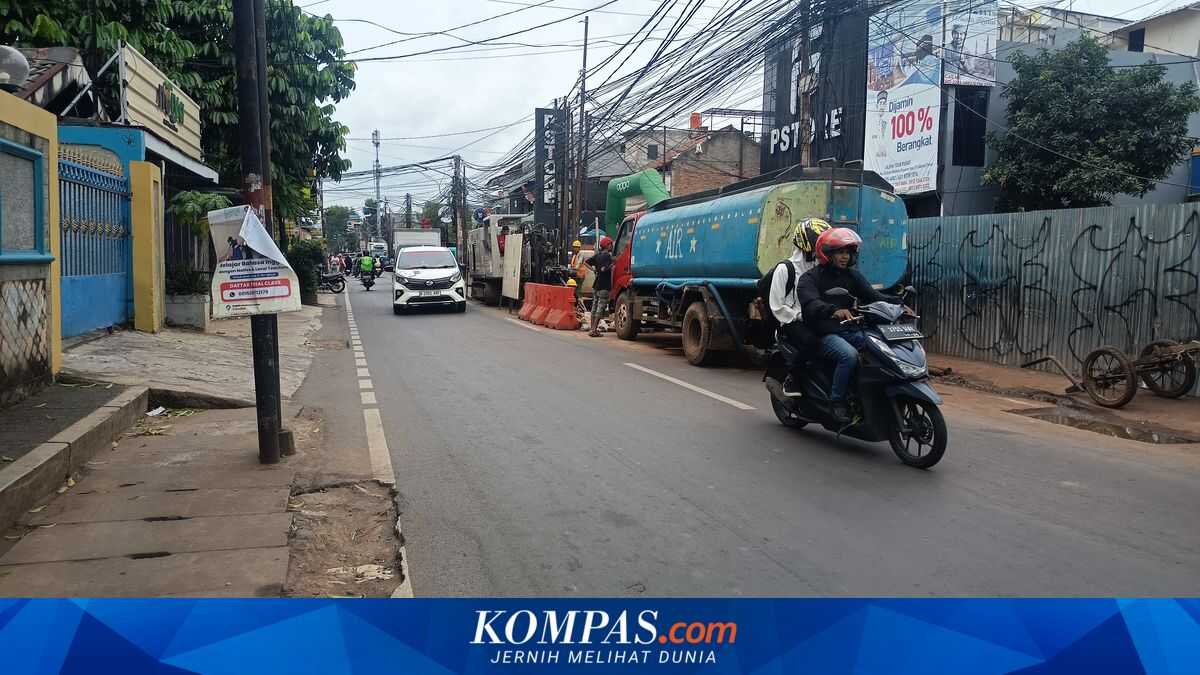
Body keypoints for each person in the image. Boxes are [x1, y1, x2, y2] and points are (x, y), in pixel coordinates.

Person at [795, 228, 887, 424]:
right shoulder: (810, 278)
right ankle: (836, 401)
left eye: (847, 252)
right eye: (839, 252)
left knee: (878, 348)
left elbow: (874, 296)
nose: (845, 257)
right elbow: (810, 302)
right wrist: (832, 310)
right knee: (849, 356)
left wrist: (899, 304)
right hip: (823, 333)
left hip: (850, 329)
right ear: (826, 253)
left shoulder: (852, 276)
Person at [768, 218, 830, 395]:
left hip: (816, 317)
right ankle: (792, 379)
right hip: (791, 321)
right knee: (812, 342)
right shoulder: (785, 268)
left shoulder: (820, 268)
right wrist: (799, 316)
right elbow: (777, 306)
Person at [585, 235, 614, 337]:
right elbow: (604, 269)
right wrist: (612, 265)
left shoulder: (597, 255)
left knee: (594, 306)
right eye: (610, 244)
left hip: (596, 284)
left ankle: (592, 329)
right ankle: (594, 330)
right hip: (604, 285)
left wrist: (594, 270)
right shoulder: (607, 256)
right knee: (600, 308)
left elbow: (586, 262)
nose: (612, 245)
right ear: (607, 245)